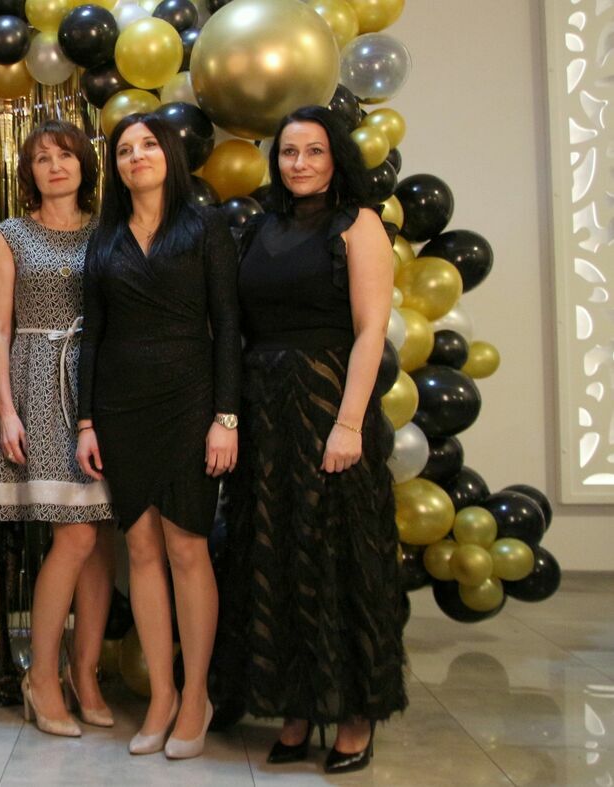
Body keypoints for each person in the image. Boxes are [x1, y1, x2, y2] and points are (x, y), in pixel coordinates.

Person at [215, 105, 405, 774]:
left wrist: (348, 423)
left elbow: (371, 331)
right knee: (276, 559)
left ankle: (354, 715)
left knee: (341, 559)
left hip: (329, 405)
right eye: (289, 152)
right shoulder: (258, 227)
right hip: (265, 410)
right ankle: (296, 706)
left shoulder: (360, 225)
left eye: (314, 151)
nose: (299, 163)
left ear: (336, 158)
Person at [76, 114, 239, 758]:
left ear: (169, 154)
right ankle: (162, 697)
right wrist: (86, 421)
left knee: (188, 548)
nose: (136, 156)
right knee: (140, 550)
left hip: (191, 402)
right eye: (124, 149)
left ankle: (196, 697)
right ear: (115, 167)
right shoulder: (105, 239)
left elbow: (227, 326)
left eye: (147, 145)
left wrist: (226, 417)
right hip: (121, 408)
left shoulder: (205, 227)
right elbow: (92, 335)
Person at [0, 120, 114, 738]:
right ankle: (43, 677)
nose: (55, 166)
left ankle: (86, 674)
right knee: (75, 536)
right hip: (38, 382)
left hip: (102, 385)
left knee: (102, 540)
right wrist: (7, 409)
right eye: (43, 158)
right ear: (29, 171)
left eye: (66, 156)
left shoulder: (108, 231)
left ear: (84, 165)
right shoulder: (11, 234)